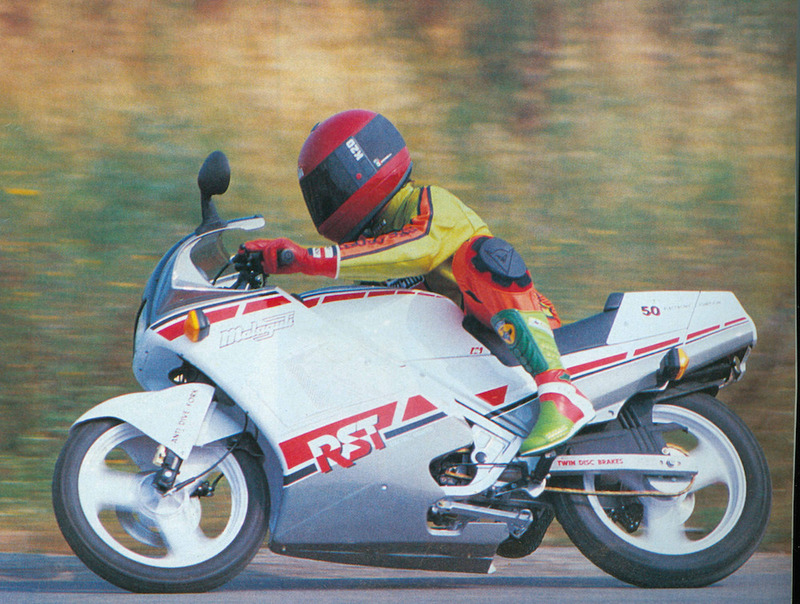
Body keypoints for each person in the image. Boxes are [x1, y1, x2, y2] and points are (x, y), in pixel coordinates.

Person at [240, 109, 594, 455]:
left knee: (480, 257)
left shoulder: (430, 204)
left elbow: (414, 250)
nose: (325, 200)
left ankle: (560, 391)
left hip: (515, 332)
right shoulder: (369, 247)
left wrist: (307, 259)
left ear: (361, 169)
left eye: (330, 184)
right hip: (457, 360)